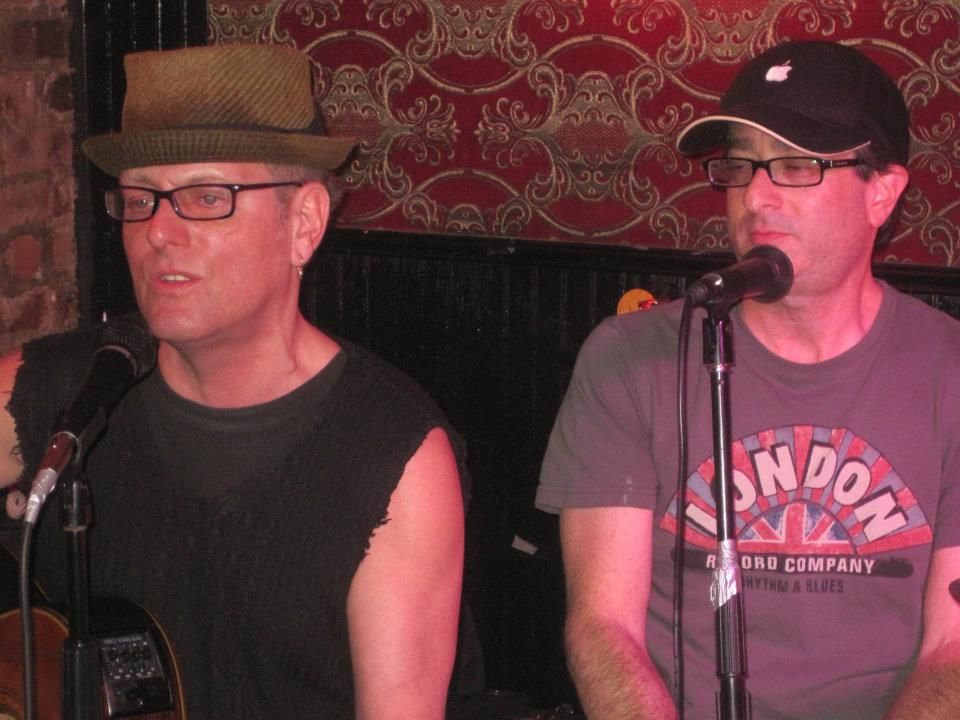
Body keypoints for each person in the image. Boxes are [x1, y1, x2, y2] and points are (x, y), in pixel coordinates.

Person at [0, 44, 466, 720]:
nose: (159, 232)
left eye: (206, 197)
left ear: (303, 224)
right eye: (140, 199)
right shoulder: (69, 385)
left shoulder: (391, 458)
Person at [536, 40, 960, 720]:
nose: (755, 197)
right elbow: (603, 627)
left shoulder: (950, 372)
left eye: (795, 165)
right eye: (740, 165)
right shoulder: (630, 359)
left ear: (881, 192)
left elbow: (953, 647)